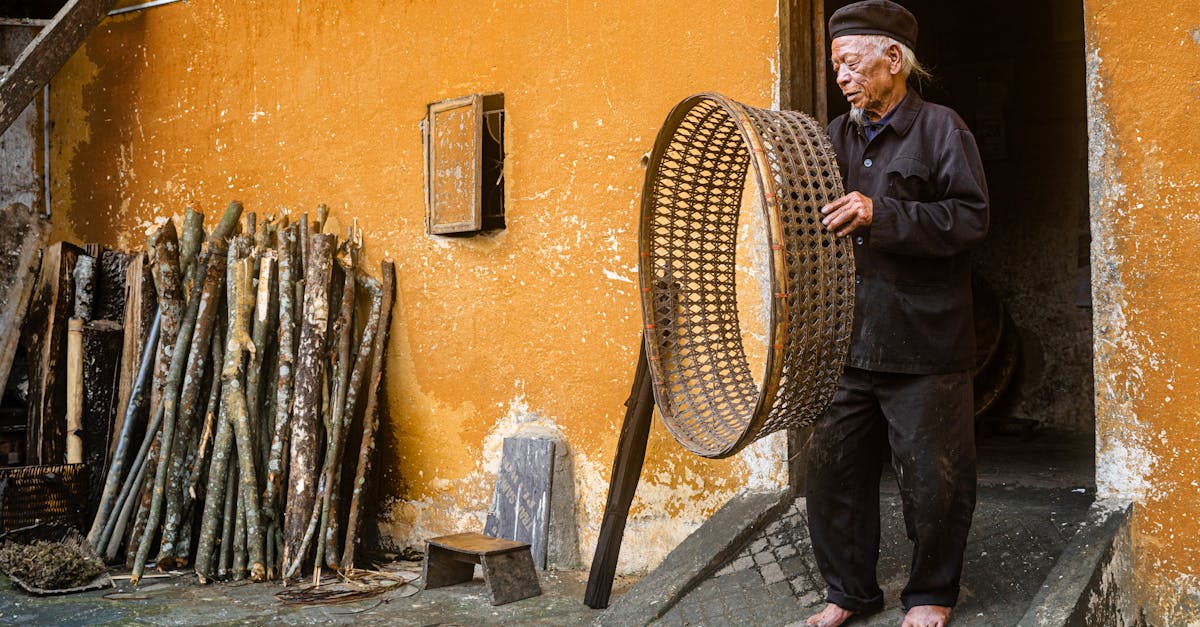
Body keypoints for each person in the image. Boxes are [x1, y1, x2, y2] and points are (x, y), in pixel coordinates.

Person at [803, 2, 989, 627]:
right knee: (832, 476)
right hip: (848, 339)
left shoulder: (941, 129)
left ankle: (931, 593)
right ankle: (849, 592)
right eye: (836, 65)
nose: (841, 76)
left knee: (934, 482)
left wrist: (881, 214)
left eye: (851, 63)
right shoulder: (835, 135)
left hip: (925, 343)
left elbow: (970, 219)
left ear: (893, 59)